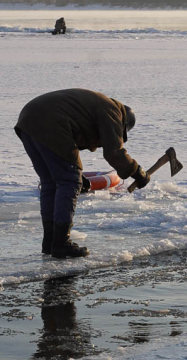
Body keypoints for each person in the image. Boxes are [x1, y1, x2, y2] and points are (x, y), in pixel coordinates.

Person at [14, 89, 149, 259]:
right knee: (68, 181)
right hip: (51, 122)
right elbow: (114, 152)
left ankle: (50, 242)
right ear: (124, 124)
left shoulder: (97, 105)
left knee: (50, 183)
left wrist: (77, 175)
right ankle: (61, 243)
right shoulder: (113, 112)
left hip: (28, 120)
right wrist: (137, 171)